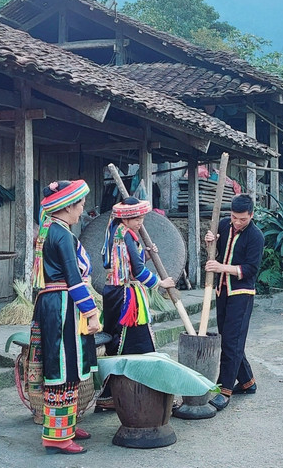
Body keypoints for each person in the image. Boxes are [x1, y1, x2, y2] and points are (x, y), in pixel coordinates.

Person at [29, 180, 101, 455]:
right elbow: (73, 278)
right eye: (80, 206)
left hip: (53, 303)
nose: (81, 211)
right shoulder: (61, 235)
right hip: (63, 306)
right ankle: (58, 437)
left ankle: (65, 425)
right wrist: (91, 313)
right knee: (63, 368)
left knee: (65, 367)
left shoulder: (51, 231)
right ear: (67, 206)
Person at [94, 197, 175, 412]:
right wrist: (160, 282)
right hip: (126, 296)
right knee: (138, 343)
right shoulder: (126, 235)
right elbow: (137, 272)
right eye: (137, 218)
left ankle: (110, 394)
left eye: (141, 217)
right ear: (127, 217)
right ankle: (150, 391)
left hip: (112, 293)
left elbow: (125, 263)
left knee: (115, 342)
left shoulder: (115, 231)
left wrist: (144, 255)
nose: (140, 221)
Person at [204, 193, 264, 411]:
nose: (237, 222)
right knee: (230, 340)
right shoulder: (223, 224)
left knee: (231, 342)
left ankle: (225, 390)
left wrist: (221, 268)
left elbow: (250, 269)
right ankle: (248, 382)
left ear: (251, 215)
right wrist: (210, 244)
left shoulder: (256, 236)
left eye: (243, 219)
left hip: (242, 294)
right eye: (234, 217)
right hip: (222, 291)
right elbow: (216, 254)